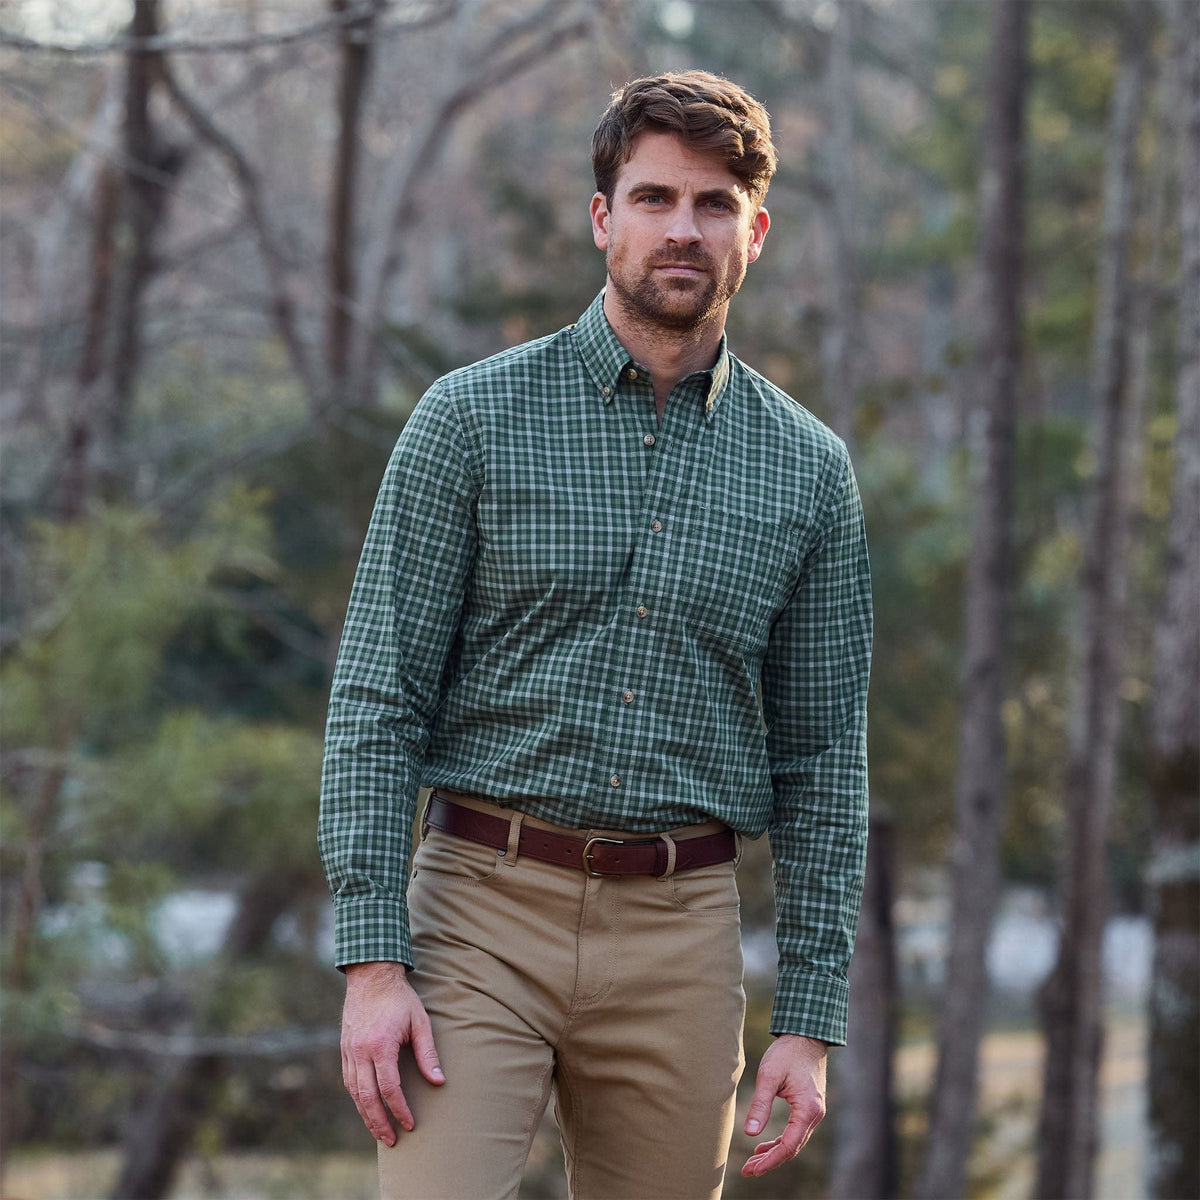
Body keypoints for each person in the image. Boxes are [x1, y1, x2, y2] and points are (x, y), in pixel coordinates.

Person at [319, 70, 872, 1200]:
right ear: (602, 218)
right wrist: (374, 960)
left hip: (681, 934)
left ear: (753, 233)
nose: (684, 227)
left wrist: (808, 1020)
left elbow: (823, 760)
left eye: (715, 204)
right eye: (656, 196)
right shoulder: (469, 421)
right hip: (478, 908)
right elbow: (378, 697)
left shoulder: (809, 473)